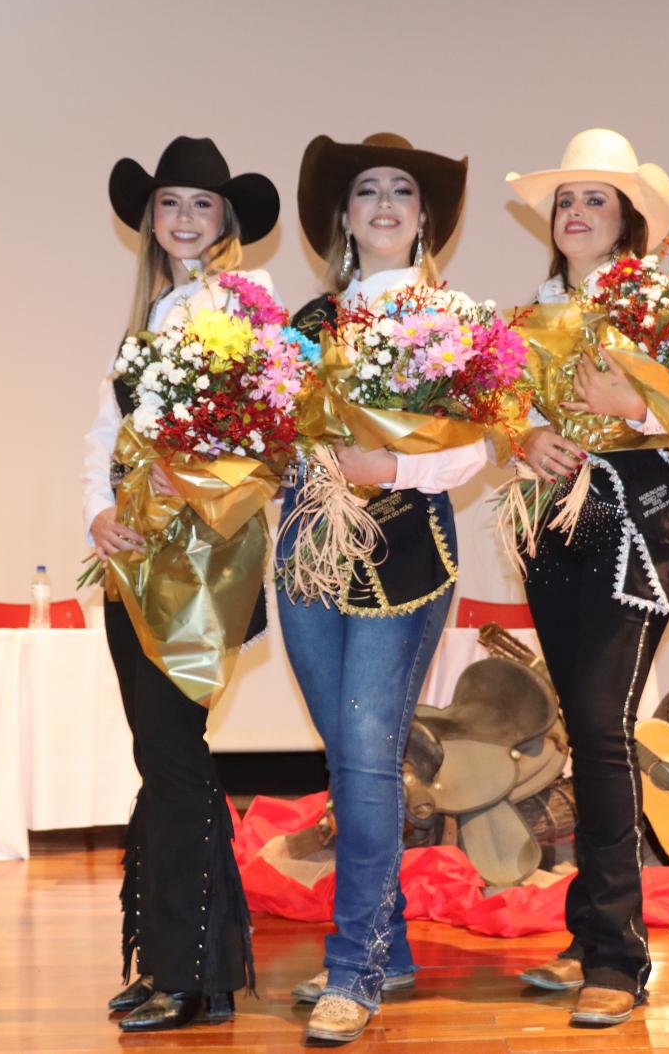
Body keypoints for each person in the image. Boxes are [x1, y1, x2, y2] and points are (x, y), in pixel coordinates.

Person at [503, 129, 669, 1028]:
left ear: (626, 217)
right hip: (553, 525)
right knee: (581, 728)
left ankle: (617, 960)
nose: (577, 213)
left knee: (602, 732)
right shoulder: (531, 312)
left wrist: (631, 403)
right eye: (566, 201)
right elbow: (507, 413)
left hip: (638, 521)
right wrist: (523, 438)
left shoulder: (664, 300)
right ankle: (588, 934)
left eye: (595, 199)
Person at [275, 133, 487, 1045]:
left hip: (405, 559)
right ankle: (387, 947)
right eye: (369, 190)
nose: (387, 204)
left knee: (365, 753)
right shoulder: (306, 323)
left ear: (425, 214)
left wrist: (392, 464)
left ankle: (352, 969)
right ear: (345, 215)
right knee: (350, 757)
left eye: (403, 190)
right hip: (307, 555)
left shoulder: (453, 316)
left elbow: (476, 448)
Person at [80, 135, 279, 1034]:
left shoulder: (251, 302)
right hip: (132, 562)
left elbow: (271, 433)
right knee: (159, 759)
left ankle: (195, 973)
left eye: (203, 205)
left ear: (227, 220)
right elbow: (102, 436)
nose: (186, 219)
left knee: (173, 756)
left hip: (203, 564)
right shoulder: (147, 316)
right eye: (172, 205)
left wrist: (187, 478)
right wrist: (99, 514)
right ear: (151, 221)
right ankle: (171, 957)